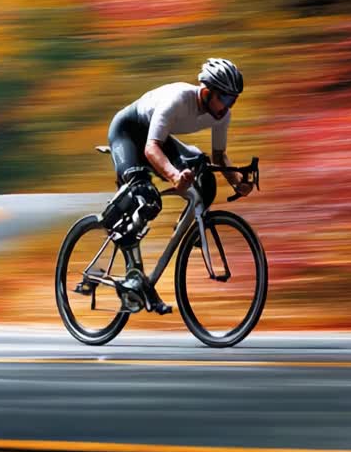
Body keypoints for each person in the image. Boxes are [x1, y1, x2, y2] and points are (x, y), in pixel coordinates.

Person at [102, 57, 254, 313]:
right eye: (226, 98)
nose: (229, 106)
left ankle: (183, 231)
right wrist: (174, 175)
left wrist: (238, 183)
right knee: (146, 197)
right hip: (128, 132)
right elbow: (151, 149)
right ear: (206, 92)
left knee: (205, 174)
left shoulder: (221, 115)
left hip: (158, 139)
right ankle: (130, 269)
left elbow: (219, 157)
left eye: (234, 99)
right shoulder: (177, 100)